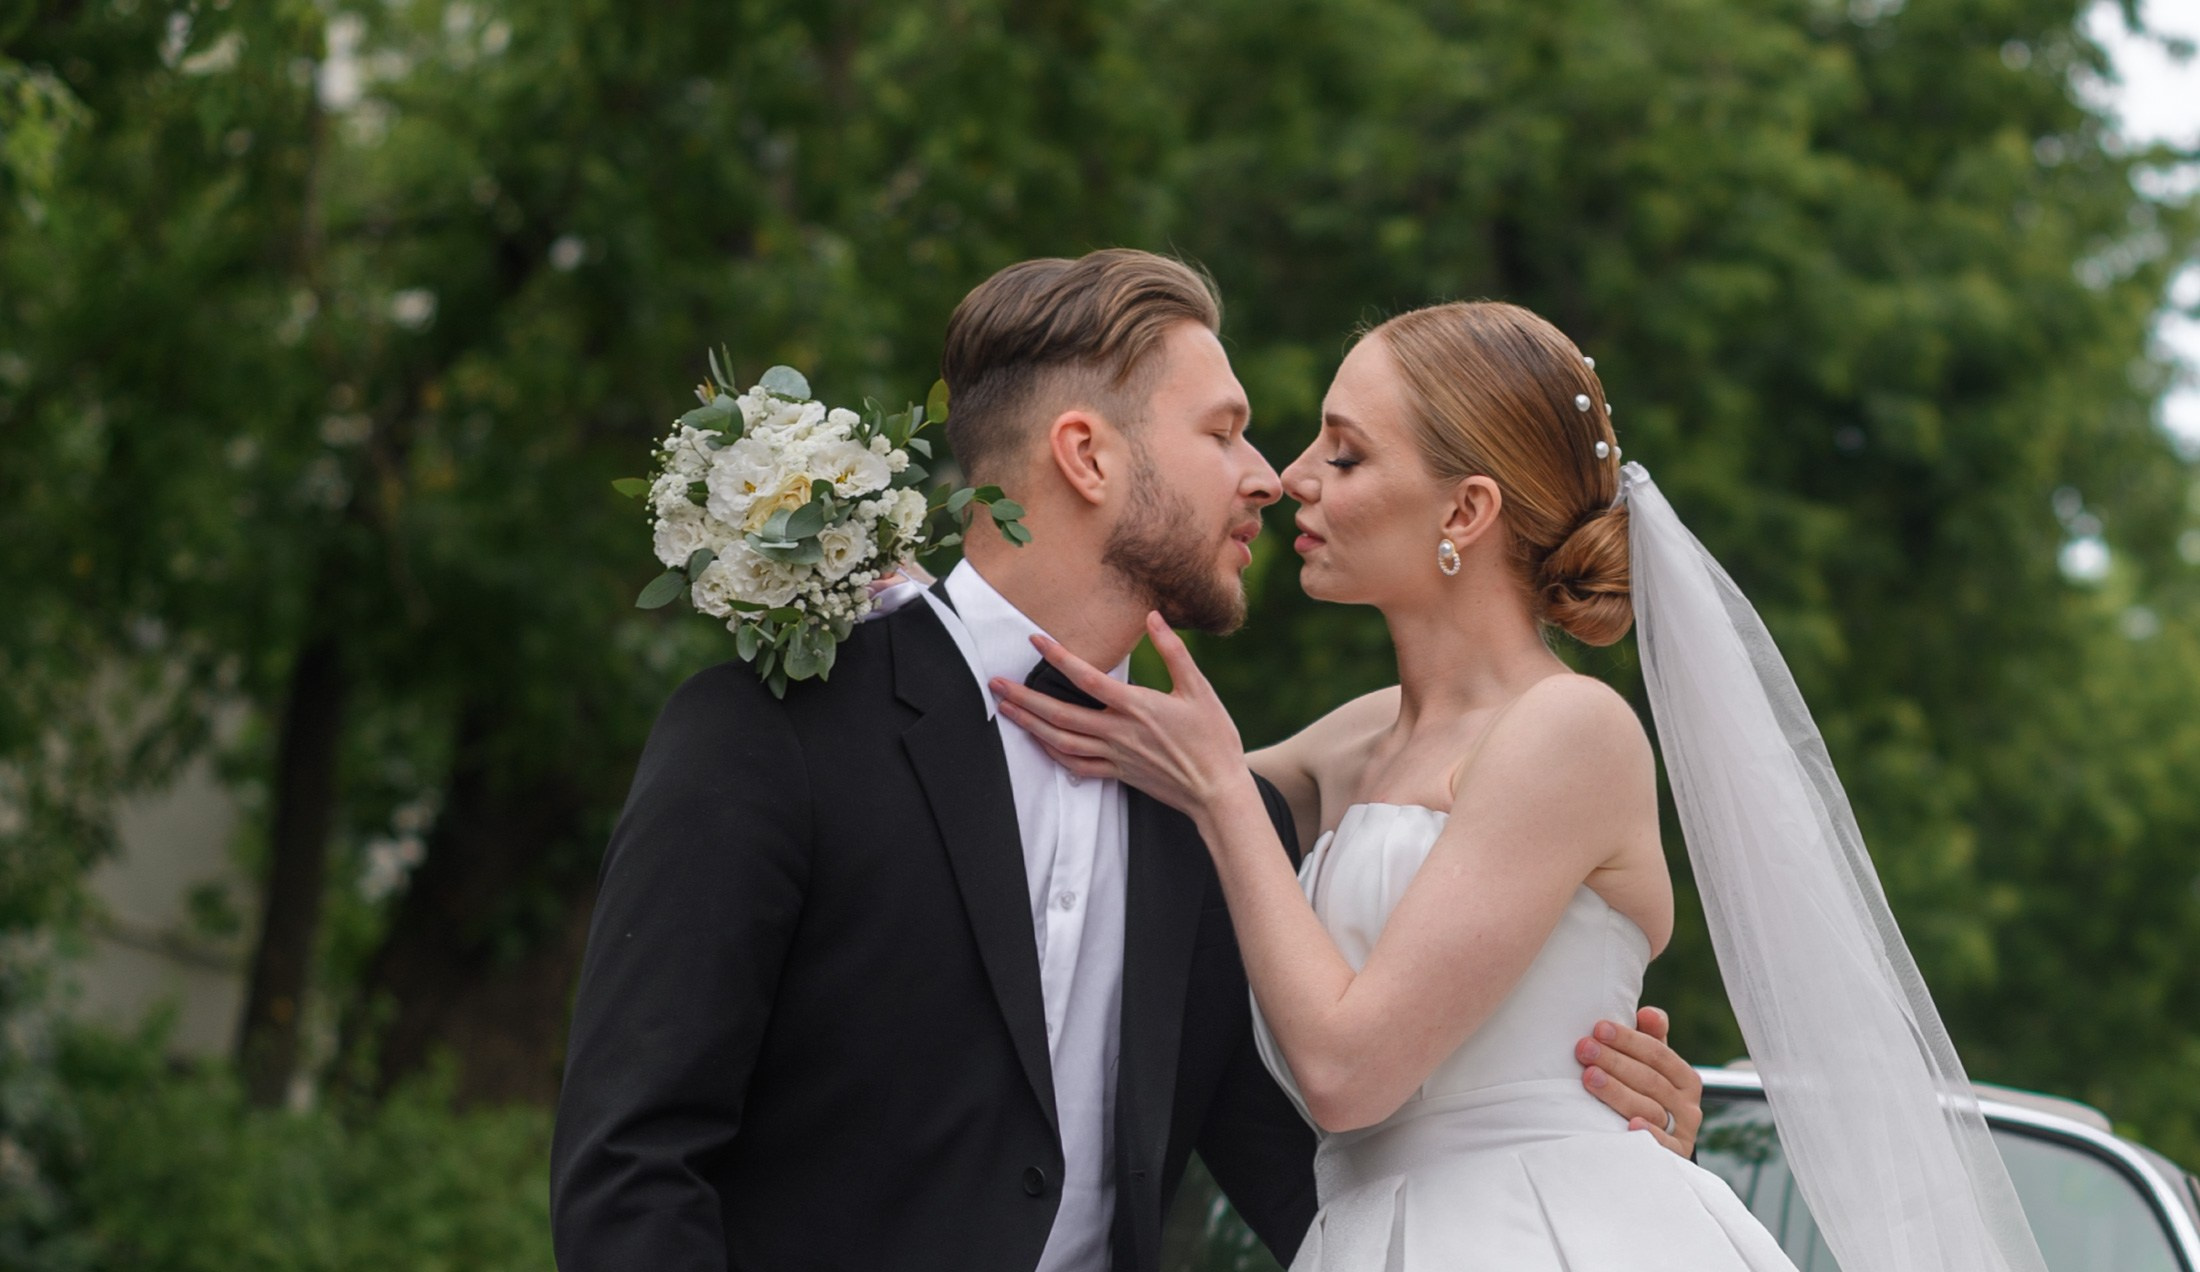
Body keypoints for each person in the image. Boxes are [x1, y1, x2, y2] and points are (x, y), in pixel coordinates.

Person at [549, 254, 1705, 1272]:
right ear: (1086, 457)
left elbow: (1319, 1142)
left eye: (1325, 450)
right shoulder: (775, 735)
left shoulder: (1210, 806)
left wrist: (1587, 1138)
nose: (1272, 476)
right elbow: (633, 1170)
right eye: (1224, 433)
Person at [995, 301, 2047, 1269]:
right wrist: (894, 589)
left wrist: (1223, 791)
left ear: (1466, 511)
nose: (1292, 477)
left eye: (1346, 453)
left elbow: (1349, 1075)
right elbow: (1102, 760)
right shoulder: (1359, 739)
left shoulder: (1570, 730)